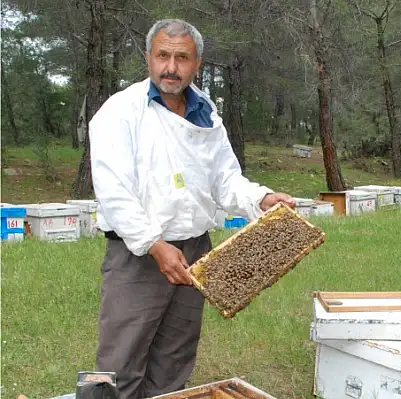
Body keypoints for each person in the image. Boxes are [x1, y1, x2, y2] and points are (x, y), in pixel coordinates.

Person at [89, 18, 294, 399]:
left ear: (196, 62)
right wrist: (154, 244)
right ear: (148, 58)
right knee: (120, 359)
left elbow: (225, 177)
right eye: (162, 56)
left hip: (196, 251)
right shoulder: (119, 112)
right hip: (139, 255)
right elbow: (113, 191)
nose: (171, 67)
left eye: (181, 58)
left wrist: (261, 199)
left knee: (174, 357)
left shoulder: (206, 112)